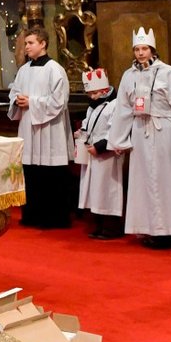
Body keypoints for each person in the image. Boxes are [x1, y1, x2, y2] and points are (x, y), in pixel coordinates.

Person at [108, 27, 171, 250]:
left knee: (168, 181)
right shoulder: (128, 76)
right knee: (144, 182)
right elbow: (123, 109)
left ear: (152, 50)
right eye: (137, 49)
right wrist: (119, 140)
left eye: (144, 49)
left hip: (165, 132)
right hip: (141, 132)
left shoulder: (168, 73)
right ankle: (149, 229)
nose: (141, 53)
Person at [8, 24, 73, 229]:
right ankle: (33, 215)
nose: (26, 47)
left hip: (50, 130)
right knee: (32, 173)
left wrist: (32, 102)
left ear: (43, 44)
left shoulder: (55, 69)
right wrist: (17, 100)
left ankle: (54, 218)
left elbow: (59, 101)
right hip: (28, 126)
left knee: (51, 175)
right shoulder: (24, 70)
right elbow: (14, 91)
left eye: (30, 43)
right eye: (26, 43)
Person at [73, 66, 124, 239]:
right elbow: (88, 123)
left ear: (104, 90)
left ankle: (112, 227)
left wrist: (100, 146)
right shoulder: (93, 106)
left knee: (107, 188)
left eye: (95, 93)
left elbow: (116, 129)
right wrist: (81, 133)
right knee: (95, 189)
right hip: (92, 153)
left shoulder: (115, 105)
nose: (92, 97)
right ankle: (99, 224)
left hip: (107, 153)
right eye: (90, 94)